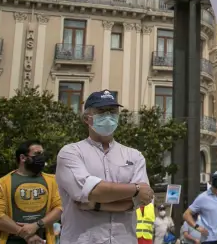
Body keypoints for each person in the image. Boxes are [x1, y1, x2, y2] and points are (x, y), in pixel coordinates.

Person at [55, 89, 155, 244]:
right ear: (87, 118)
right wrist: (135, 189)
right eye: (101, 111)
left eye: (112, 111)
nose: (108, 116)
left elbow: (142, 199)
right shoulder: (71, 153)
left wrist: (96, 206)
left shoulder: (134, 156)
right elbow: (93, 191)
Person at [0, 140, 64, 244]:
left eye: (42, 154)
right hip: (11, 240)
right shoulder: (2, 183)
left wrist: (37, 225)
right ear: (23, 158)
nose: (41, 157)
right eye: (37, 154)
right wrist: (23, 233)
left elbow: (60, 208)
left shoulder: (52, 181)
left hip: (42, 240)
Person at [183, 172, 217, 243]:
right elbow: (186, 214)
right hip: (208, 240)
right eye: (214, 179)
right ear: (210, 181)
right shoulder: (202, 198)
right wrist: (197, 227)